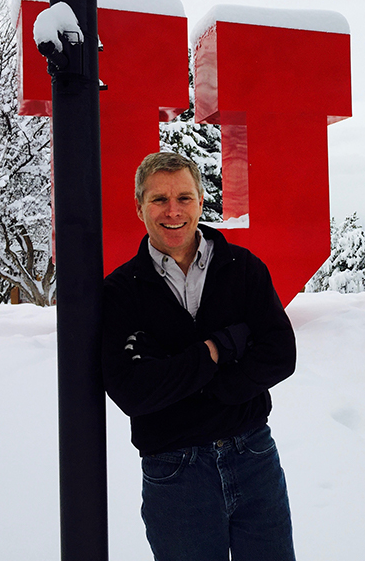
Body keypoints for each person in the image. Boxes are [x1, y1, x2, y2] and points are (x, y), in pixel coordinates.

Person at [101, 151, 298, 561]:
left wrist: (201, 382)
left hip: (254, 456)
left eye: (184, 198)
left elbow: (280, 354)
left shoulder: (243, 268)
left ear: (201, 201)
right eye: (158, 200)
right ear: (139, 207)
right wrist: (217, 350)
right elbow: (130, 392)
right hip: (175, 471)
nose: (172, 211)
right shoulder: (120, 291)